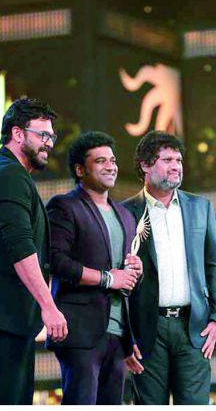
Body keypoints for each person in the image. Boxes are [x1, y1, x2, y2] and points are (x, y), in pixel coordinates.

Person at [122, 131, 216, 405]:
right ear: (145, 165)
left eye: (178, 160)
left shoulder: (200, 207)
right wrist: (125, 338)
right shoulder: (125, 212)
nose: (176, 166)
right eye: (167, 159)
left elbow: (215, 266)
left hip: (194, 329)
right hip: (147, 332)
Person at [0, 98, 68, 404]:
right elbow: (20, 246)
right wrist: (48, 305)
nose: (49, 144)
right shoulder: (8, 175)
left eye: (52, 137)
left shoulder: (7, 173)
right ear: (17, 134)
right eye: (42, 135)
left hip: (6, 320)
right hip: (3, 320)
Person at [46, 131, 144, 404]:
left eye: (112, 160)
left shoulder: (125, 215)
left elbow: (124, 275)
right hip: (80, 332)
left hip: (118, 333)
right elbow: (56, 262)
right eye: (100, 161)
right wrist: (107, 278)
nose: (110, 166)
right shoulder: (64, 206)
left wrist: (135, 268)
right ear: (80, 169)